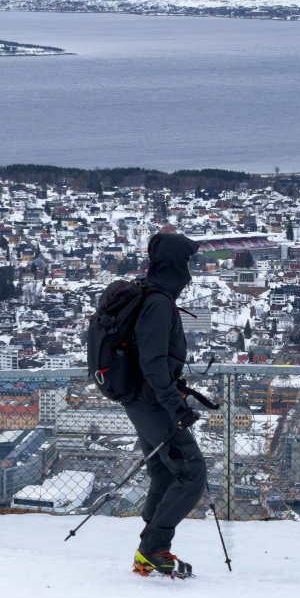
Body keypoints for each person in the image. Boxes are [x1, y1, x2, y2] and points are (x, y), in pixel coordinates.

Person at [125, 231, 207, 579]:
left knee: (163, 471)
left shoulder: (148, 293)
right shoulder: (158, 303)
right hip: (154, 404)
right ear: (176, 263)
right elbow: (153, 363)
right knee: (192, 472)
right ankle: (153, 549)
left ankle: (149, 548)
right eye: (187, 260)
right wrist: (176, 406)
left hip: (140, 401)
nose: (190, 267)